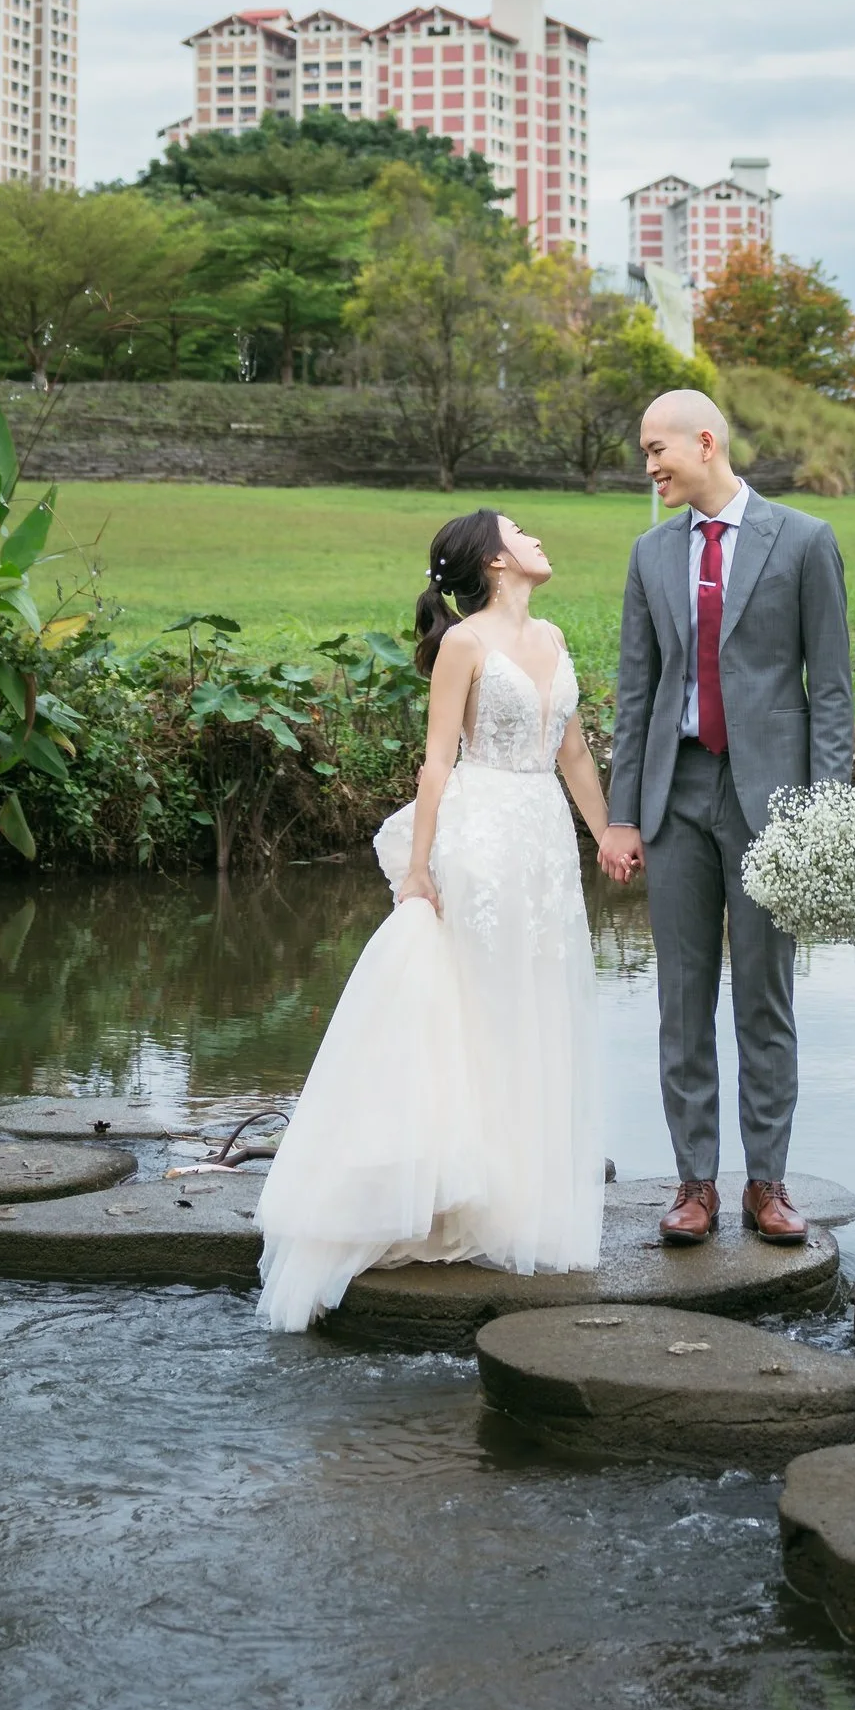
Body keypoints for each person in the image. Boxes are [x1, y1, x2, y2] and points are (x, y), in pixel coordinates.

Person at [255, 508, 609, 1331]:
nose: (540, 540)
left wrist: (607, 834)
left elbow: (576, 753)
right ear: (494, 559)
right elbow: (437, 758)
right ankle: (453, 1188)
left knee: (537, 1004)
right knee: (478, 1003)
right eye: (524, 532)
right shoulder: (464, 644)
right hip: (481, 832)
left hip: (545, 841)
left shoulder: (554, 637)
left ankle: (516, 1196)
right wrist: (418, 866)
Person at [597, 389, 853, 1247]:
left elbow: (832, 696)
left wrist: (823, 817)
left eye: (656, 449)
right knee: (681, 998)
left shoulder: (806, 542)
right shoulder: (649, 554)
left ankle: (768, 1184)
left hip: (771, 802)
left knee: (766, 999)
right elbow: (635, 695)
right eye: (644, 453)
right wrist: (623, 816)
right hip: (676, 798)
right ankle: (696, 1185)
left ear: (705, 442)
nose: (649, 466)